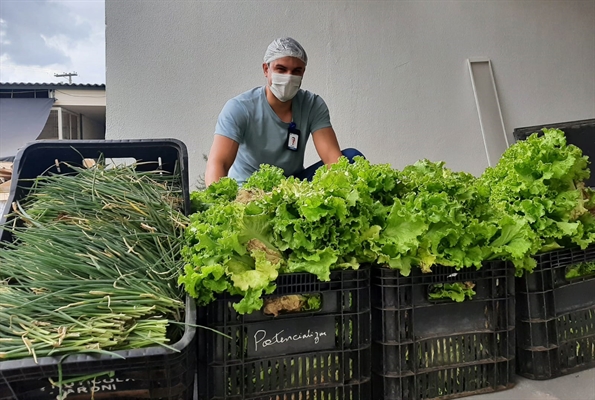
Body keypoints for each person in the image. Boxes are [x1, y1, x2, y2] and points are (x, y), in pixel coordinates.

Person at [205, 37, 363, 186]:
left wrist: (344, 189)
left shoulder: (312, 105)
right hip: (249, 192)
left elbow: (332, 158)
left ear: (303, 73)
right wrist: (222, 202)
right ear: (266, 69)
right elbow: (219, 163)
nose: (289, 77)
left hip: (292, 187)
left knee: (351, 158)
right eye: (281, 69)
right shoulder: (240, 108)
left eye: (296, 71)